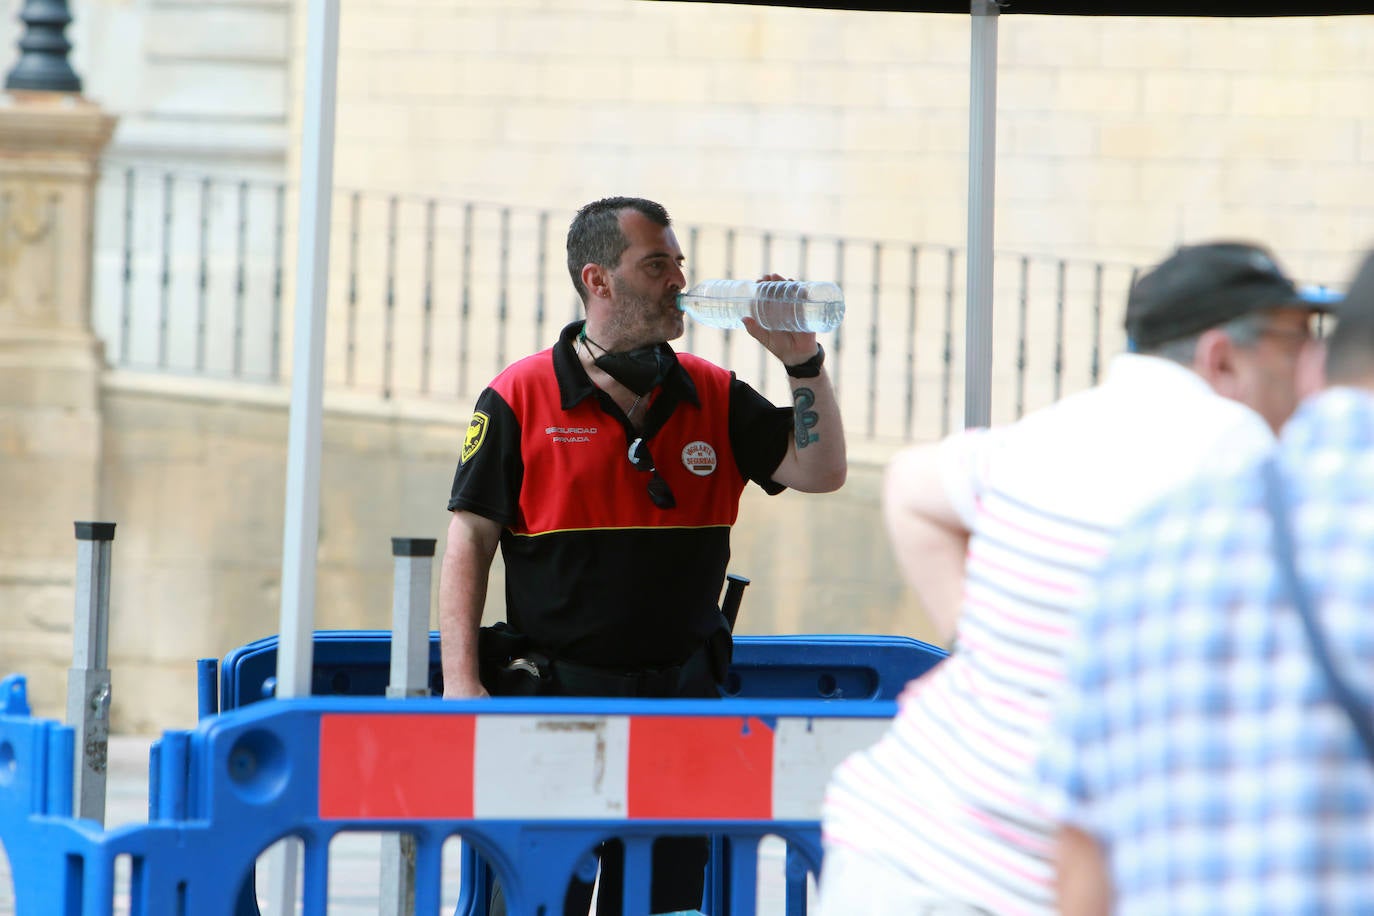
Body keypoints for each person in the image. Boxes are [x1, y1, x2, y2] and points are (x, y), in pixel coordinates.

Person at [817, 241, 1337, 916]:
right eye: (1294, 341)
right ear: (1221, 356)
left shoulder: (1054, 430)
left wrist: (980, 648)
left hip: (894, 843)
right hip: (1014, 880)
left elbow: (911, 486)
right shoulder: (1237, 454)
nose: (1311, 366)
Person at [438, 195, 846, 915]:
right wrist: (462, 683)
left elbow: (820, 471)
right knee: (539, 902)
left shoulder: (714, 394)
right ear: (598, 280)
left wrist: (803, 362)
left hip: (678, 711)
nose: (677, 280)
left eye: (678, 263)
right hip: (554, 710)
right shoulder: (520, 395)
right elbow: (469, 536)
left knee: (662, 905)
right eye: (656, 264)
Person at [1040, 252, 1374, 915]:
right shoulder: (1220, 443)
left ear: (1324, 368)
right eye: (1290, 337)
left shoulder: (1148, 543)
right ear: (1222, 360)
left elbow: (1080, 856)